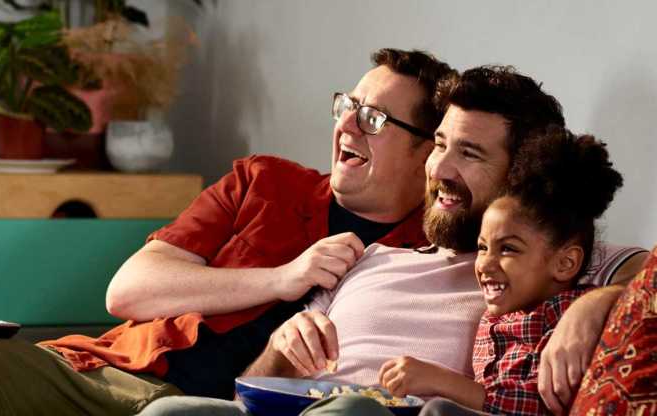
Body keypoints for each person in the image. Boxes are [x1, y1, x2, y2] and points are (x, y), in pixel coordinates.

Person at [0, 49, 455, 415]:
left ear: (427, 151)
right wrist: (281, 277)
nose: (347, 123)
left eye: (373, 118)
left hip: (212, 407)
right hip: (113, 372)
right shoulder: (266, 182)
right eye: (346, 105)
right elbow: (130, 290)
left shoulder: (438, 252)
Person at [138, 66, 646, 416]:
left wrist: (594, 306)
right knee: (167, 409)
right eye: (440, 145)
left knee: (352, 409)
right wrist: (278, 349)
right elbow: (255, 390)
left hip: (367, 410)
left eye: (469, 153)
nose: (440, 169)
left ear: (519, 176)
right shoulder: (370, 257)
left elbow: (643, 274)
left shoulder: (531, 265)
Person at [346, 127, 624, 416]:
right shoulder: (495, 318)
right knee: (356, 408)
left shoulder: (569, 321)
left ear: (565, 263)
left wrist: (441, 381)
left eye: (508, 249)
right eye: (482, 248)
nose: (485, 265)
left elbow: (539, 406)